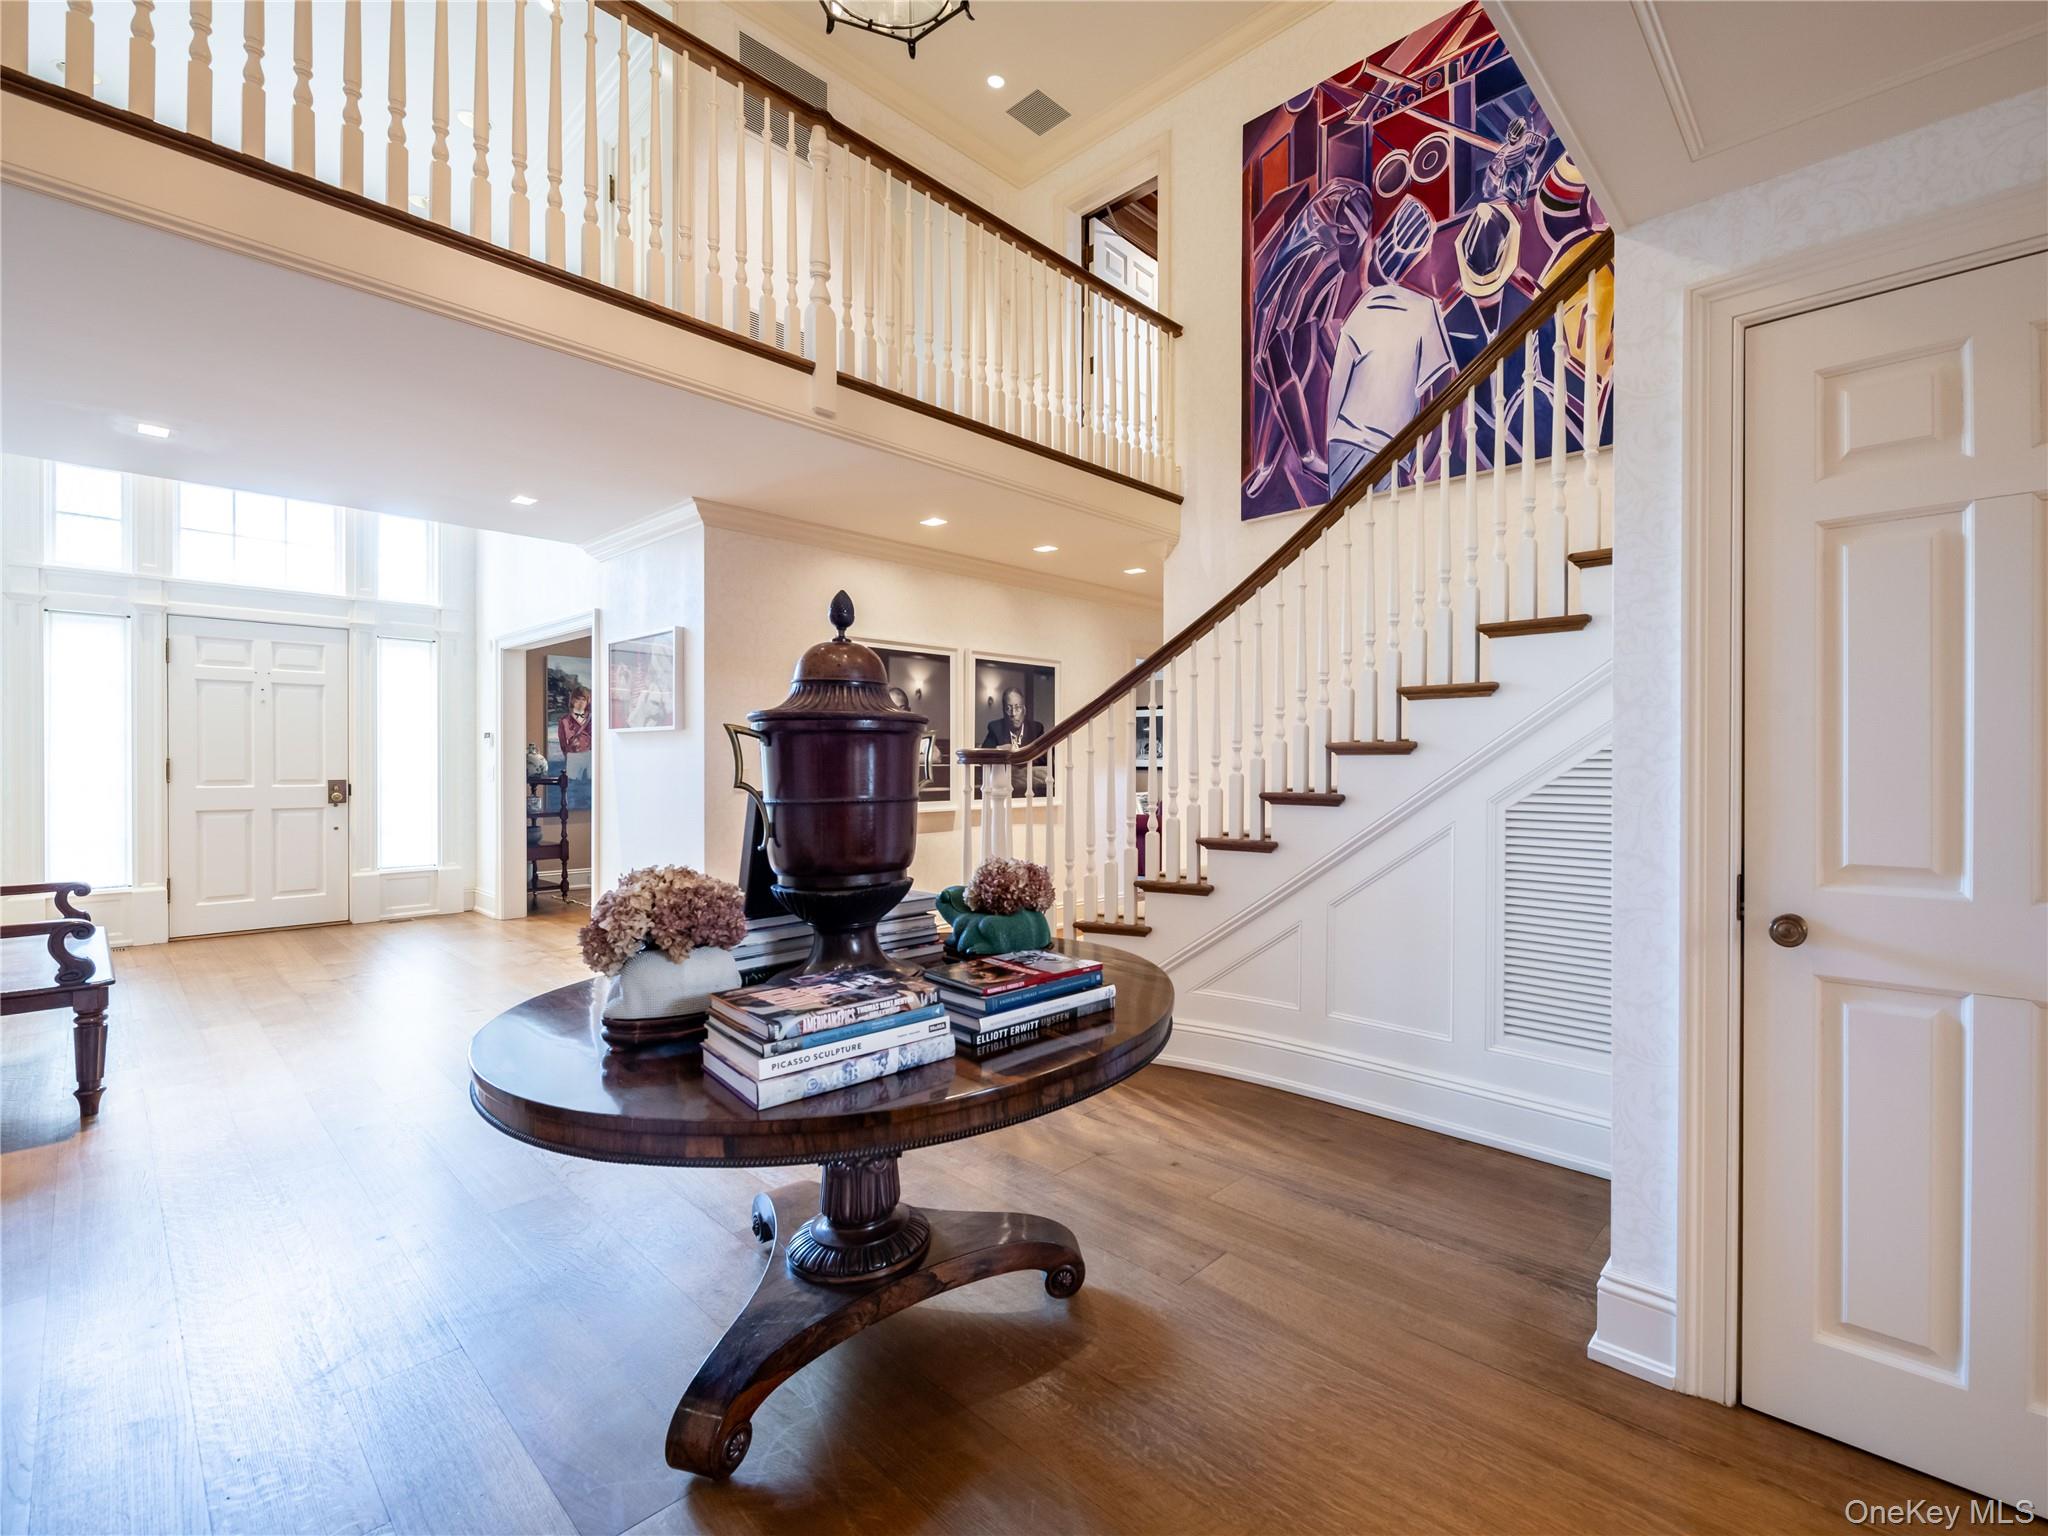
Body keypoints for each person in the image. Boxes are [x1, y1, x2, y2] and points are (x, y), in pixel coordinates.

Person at [1324, 195, 1455, 498]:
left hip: (1346, 441)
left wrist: (1332, 441)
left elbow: (1337, 390)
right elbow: (1445, 385)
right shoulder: (1425, 309)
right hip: (1391, 448)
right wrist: (1421, 460)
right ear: (1413, 260)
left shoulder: (1359, 312)